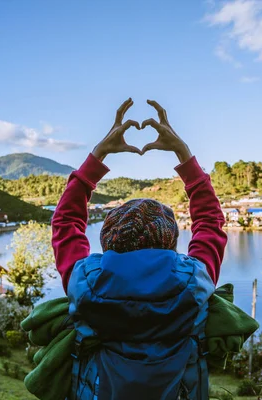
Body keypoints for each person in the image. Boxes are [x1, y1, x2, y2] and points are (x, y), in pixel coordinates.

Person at [51, 98, 227, 400]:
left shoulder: (83, 282)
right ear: (171, 242)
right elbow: (211, 223)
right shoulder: (196, 283)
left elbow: (65, 223)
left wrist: (98, 155)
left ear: (107, 242)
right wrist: (183, 153)